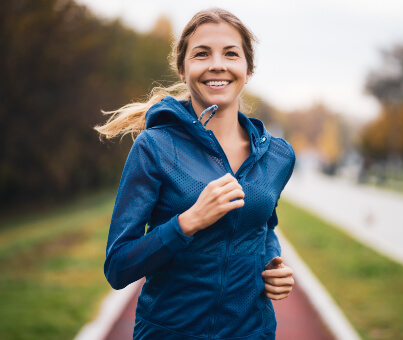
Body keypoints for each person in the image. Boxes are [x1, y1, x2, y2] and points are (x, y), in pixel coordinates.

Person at [95, 8, 296, 340]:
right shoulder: (154, 147)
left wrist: (274, 262)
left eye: (230, 53)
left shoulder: (278, 156)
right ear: (183, 68)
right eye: (202, 54)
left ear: (248, 68)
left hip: (253, 332)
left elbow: (264, 225)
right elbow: (118, 266)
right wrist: (188, 222)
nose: (217, 64)